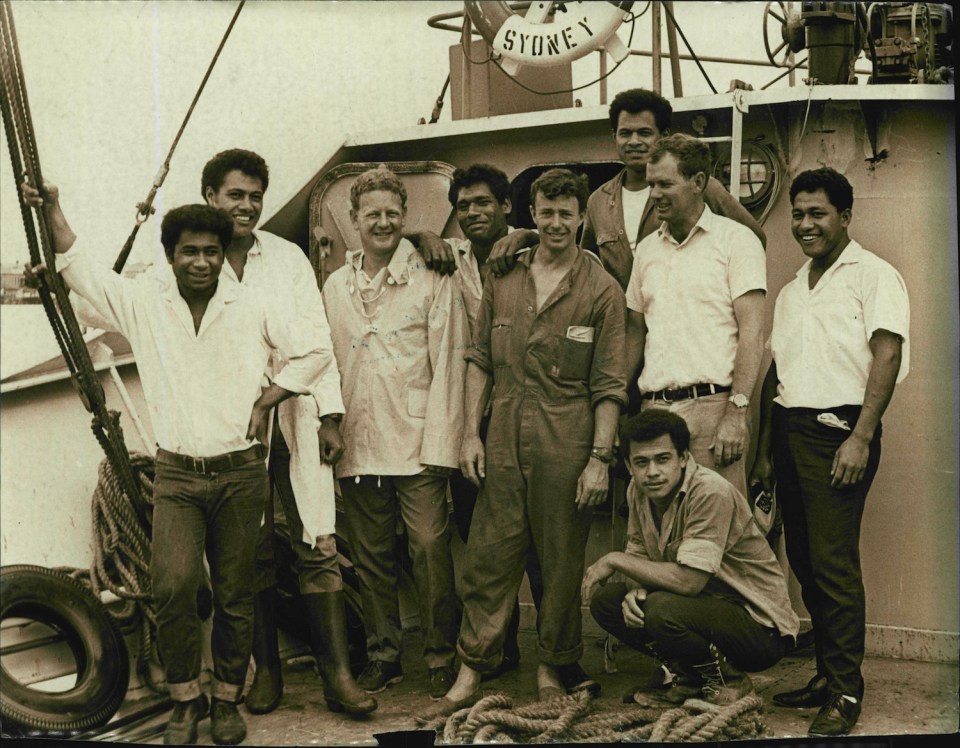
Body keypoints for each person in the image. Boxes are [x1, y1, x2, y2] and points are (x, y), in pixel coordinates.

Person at [22, 182, 332, 746]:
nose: (201, 261)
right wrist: (53, 204)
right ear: (171, 256)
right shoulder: (146, 304)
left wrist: (271, 396)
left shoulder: (254, 305)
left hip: (240, 473)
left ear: (222, 256)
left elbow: (316, 350)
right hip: (178, 476)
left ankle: (227, 699)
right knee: (173, 589)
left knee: (237, 595)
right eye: (189, 251)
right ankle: (186, 698)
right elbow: (79, 263)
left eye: (211, 252)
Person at [423, 169, 627, 720]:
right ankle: (472, 668)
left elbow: (610, 384)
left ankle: (551, 665)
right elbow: (480, 361)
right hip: (505, 426)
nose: (556, 222)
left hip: (569, 431)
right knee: (489, 554)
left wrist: (600, 461)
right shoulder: (505, 275)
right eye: (547, 211)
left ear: (582, 217)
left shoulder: (602, 288)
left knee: (561, 560)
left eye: (566, 212)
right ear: (531, 214)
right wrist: (469, 432)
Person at [199, 149, 375, 717]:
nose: (246, 206)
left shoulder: (288, 258)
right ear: (211, 198)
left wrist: (328, 416)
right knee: (249, 552)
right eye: (235, 195)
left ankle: (338, 677)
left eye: (254, 196)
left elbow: (316, 337)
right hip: (231, 426)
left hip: (295, 414)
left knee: (317, 541)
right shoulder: (194, 259)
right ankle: (266, 672)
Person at [751, 167, 909, 737]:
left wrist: (861, 437)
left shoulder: (874, 276)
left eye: (817, 213)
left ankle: (845, 692)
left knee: (835, 566)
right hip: (791, 433)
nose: (805, 224)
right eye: (798, 214)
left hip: (840, 432)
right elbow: (779, 373)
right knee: (808, 563)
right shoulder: (795, 289)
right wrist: (768, 452)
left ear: (845, 216)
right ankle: (825, 674)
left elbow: (886, 356)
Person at [321, 165, 468, 699]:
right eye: (371, 214)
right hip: (359, 440)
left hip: (419, 439)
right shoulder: (336, 285)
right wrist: (329, 423)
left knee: (429, 548)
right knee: (372, 557)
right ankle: (385, 655)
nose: (382, 222)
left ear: (405, 218)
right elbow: (326, 360)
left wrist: (443, 446)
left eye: (392, 213)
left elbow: (449, 363)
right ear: (354, 221)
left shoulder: (433, 273)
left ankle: (439, 654)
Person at [582, 409, 798, 706]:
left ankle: (728, 679)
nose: (652, 472)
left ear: (683, 458)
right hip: (700, 610)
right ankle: (689, 678)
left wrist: (615, 560)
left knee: (660, 608)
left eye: (663, 459)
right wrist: (635, 590)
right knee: (608, 602)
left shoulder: (710, 491)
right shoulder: (638, 491)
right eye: (641, 463)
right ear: (629, 465)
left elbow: (689, 582)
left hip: (758, 628)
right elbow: (639, 553)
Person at [488, 87, 765, 293]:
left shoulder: (700, 189)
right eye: (625, 133)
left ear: (662, 136)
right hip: (623, 329)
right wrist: (527, 236)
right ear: (614, 137)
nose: (634, 142)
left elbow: (754, 240)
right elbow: (583, 262)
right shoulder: (598, 201)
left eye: (644, 133)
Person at [623, 133, 766, 499]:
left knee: (721, 533)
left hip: (714, 410)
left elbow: (752, 334)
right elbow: (634, 333)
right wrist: (620, 408)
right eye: (651, 184)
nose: (654, 194)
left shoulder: (737, 241)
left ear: (698, 182)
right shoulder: (647, 250)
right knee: (659, 535)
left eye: (665, 184)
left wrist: (736, 413)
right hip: (654, 412)